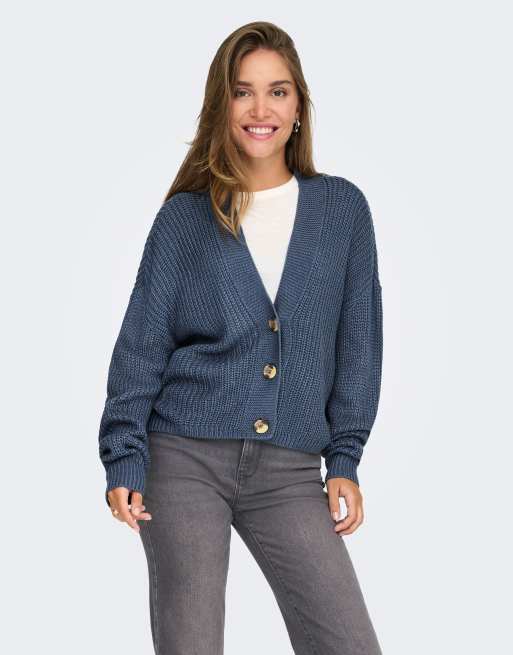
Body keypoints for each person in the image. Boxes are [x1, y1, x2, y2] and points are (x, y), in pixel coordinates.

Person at [98, 21, 384, 655]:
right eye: (242, 92)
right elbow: (143, 342)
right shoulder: (186, 217)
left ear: (299, 105)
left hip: (290, 469)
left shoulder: (342, 211)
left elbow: (359, 343)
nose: (261, 110)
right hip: (183, 459)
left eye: (278, 91)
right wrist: (124, 454)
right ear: (220, 105)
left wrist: (345, 458)